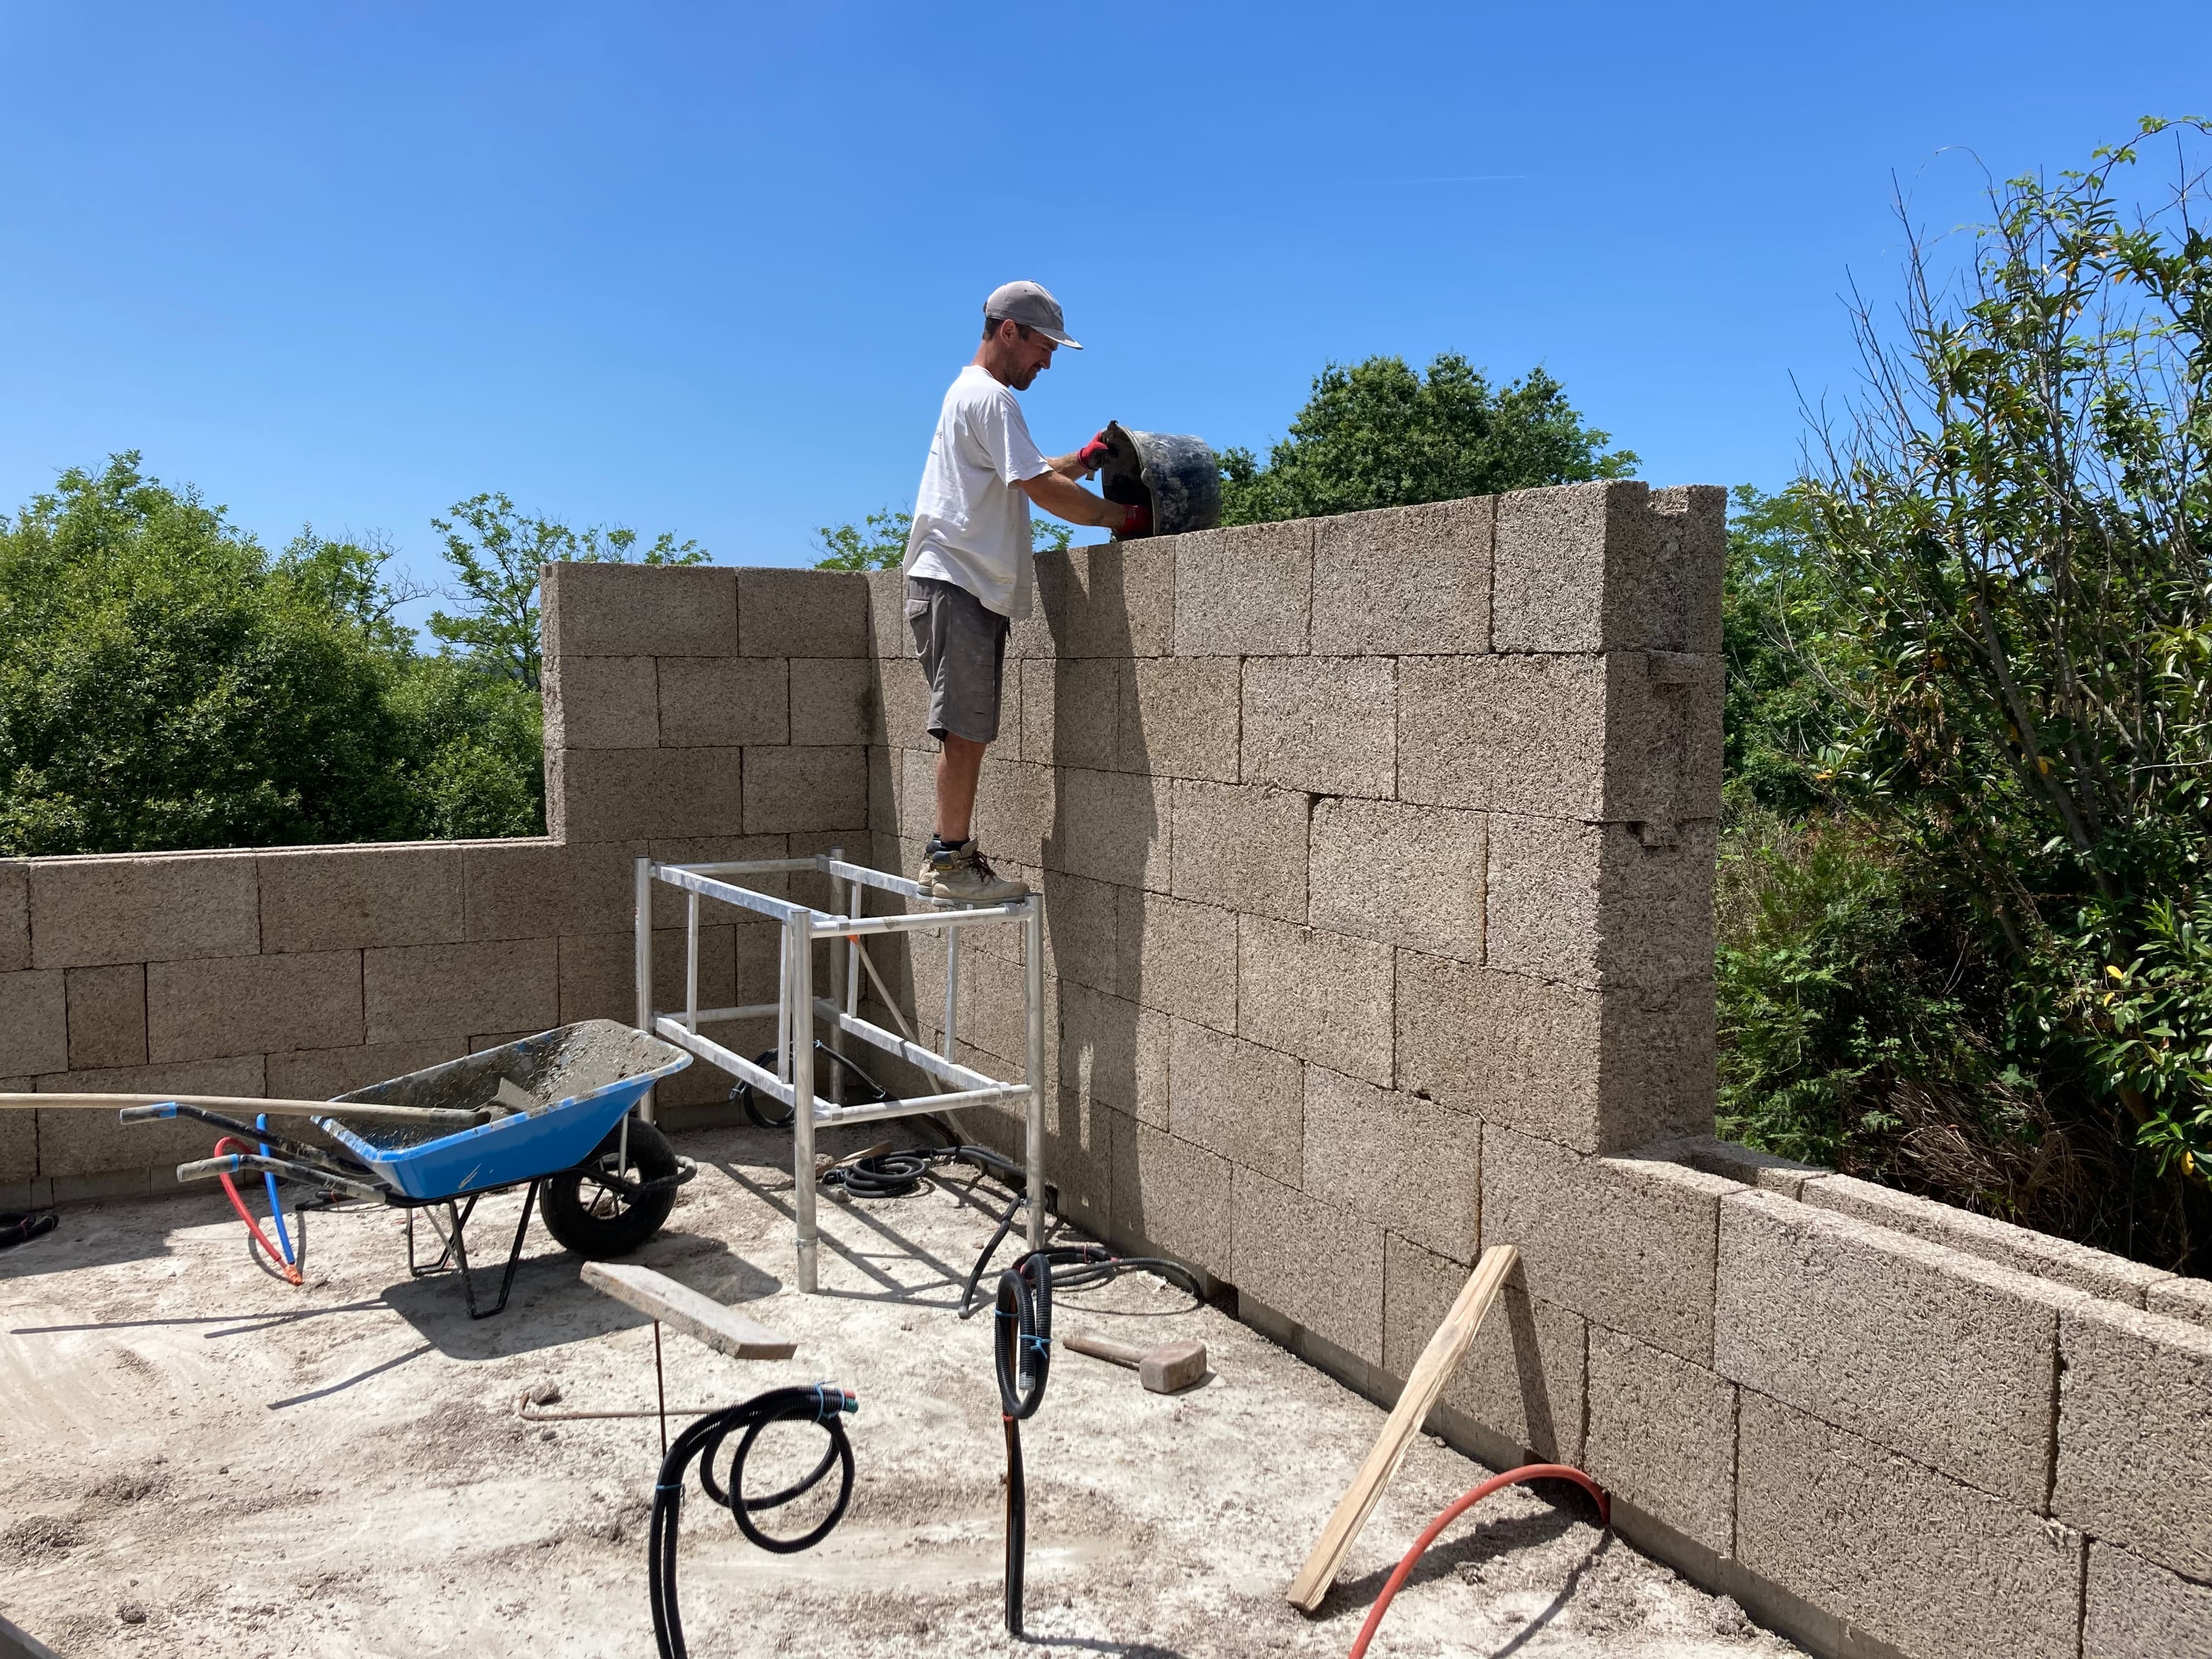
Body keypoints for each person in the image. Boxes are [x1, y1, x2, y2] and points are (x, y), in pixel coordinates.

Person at [902, 281, 1149, 903]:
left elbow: (1032, 473)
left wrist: (1087, 459)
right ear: (1008, 331)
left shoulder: (972, 395)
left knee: (968, 723)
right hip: (960, 581)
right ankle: (949, 861)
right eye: (1044, 348)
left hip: (957, 580)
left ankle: (949, 854)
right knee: (965, 726)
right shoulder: (991, 399)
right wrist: (1123, 520)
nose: (1047, 362)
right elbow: (1040, 491)